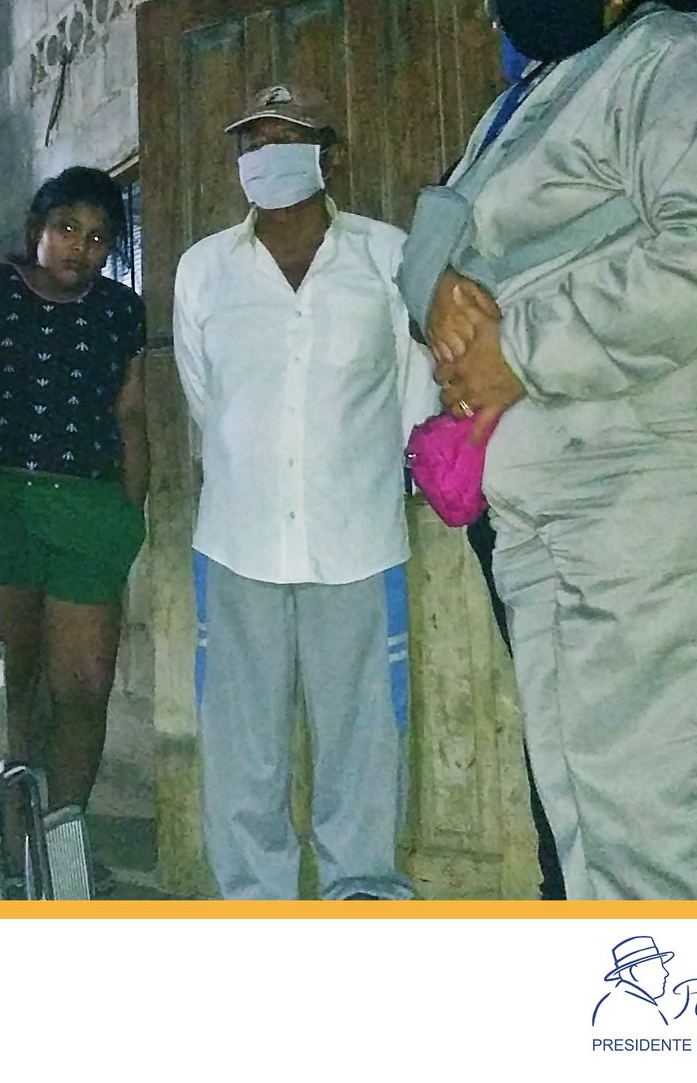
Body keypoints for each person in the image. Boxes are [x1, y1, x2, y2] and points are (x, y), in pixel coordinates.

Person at [405, 0, 697, 899]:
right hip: (556, 492)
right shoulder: (533, 95)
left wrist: (517, 345)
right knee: (584, 804)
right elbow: (465, 245)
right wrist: (441, 291)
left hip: (659, 467)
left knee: (663, 810)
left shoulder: (678, 58)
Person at [175, 84, 438, 901]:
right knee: (241, 741)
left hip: (356, 538)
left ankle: (361, 892)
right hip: (239, 540)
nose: (266, 155)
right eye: (252, 141)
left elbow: (414, 388)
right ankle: (257, 905)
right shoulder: (204, 269)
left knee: (364, 732)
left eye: (286, 137)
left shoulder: (387, 257)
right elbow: (204, 395)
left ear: (332, 156)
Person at [0, 167, 147, 816]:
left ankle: (65, 843)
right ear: (35, 230)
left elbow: (129, 413)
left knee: (84, 687)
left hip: (89, 511)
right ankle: (10, 844)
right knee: (8, 687)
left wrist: (128, 515)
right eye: (67, 228)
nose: (80, 247)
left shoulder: (120, 311)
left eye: (98, 238)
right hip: (1, 506)